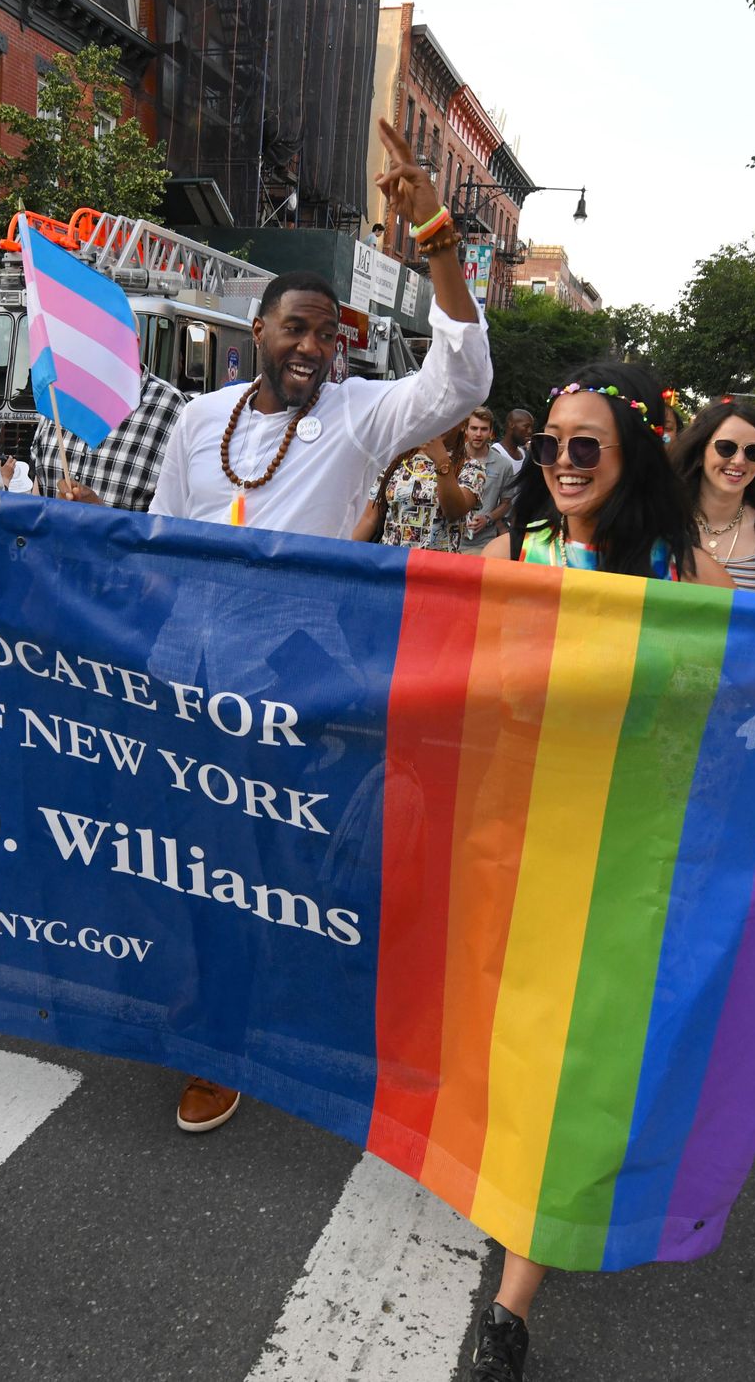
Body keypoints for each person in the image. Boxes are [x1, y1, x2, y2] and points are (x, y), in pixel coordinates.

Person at [149, 118, 490, 1133]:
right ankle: (220, 1030)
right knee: (209, 866)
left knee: (298, 867)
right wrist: (161, 681)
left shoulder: (359, 415)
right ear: (257, 329)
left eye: (329, 335)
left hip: (309, 688)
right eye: (297, 328)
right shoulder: (196, 422)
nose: (314, 346)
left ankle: (303, 1013)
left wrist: (437, 242)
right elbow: (167, 547)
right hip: (206, 685)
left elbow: (461, 381)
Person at [470, 362, 730, 1382]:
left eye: (586, 445)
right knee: (512, 1027)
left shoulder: (677, 566)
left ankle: (511, 1306)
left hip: (628, 843)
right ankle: (509, 1170)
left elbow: (753, 665)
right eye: (551, 444)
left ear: (625, 461)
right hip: (509, 830)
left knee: (585, 1048)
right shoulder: (510, 549)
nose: (563, 461)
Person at [670, 398, 755, 593]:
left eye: (753, 452)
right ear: (700, 451)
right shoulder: (659, 519)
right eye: (726, 447)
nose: (739, 461)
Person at [33, 370, 186, 511]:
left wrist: (102, 517)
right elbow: (37, 493)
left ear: (134, 343)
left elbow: (181, 523)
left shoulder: (176, 410)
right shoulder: (55, 397)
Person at [356, 422, 483, 550]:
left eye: (452, 416)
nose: (442, 422)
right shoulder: (397, 461)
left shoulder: (470, 467)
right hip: (391, 563)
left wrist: (441, 461)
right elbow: (369, 518)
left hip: (436, 567)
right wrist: (341, 553)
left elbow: (454, 512)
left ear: (463, 424)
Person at [457, 407, 516, 554]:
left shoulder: (503, 465)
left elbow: (506, 503)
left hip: (483, 544)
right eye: (474, 428)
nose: (478, 434)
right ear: (465, 429)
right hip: (448, 540)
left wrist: (487, 518)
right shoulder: (451, 460)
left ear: (490, 432)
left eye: (483, 429)